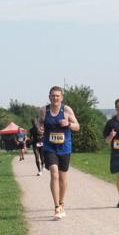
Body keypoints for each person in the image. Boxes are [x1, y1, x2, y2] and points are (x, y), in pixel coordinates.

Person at [37, 86, 81, 220]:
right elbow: (40, 123)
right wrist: (40, 129)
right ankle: (56, 206)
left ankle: (62, 202)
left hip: (64, 148)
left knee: (63, 177)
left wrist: (68, 124)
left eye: (57, 96)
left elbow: (77, 127)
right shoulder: (44, 110)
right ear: (49, 96)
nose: (55, 98)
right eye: (53, 95)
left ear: (61, 97)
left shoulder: (67, 110)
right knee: (54, 172)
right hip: (50, 147)